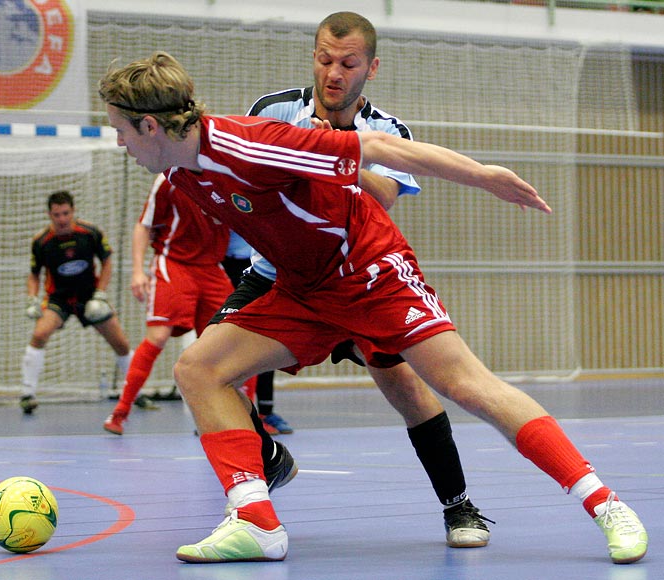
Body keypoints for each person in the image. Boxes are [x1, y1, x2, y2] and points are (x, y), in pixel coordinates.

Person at [99, 51, 648, 566]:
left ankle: (606, 504)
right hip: (304, 288)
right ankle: (256, 522)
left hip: (369, 271)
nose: (119, 143)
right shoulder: (178, 172)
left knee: (465, 385)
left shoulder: (251, 143)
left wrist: (485, 176)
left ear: (150, 126)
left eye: (120, 130)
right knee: (199, 368)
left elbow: (384, 150)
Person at [207, 11, 491, 547]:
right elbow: (251, 174)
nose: (333, 73)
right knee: (205, 365)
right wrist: (294, 147)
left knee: (406, 387)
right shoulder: (274, 110)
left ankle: (459, 506)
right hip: (277, 276)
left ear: (370, 69)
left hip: (355, 282)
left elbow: (380, 198)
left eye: (348, 63)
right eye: (324, 59)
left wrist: (334, 150)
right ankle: (266, 459)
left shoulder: (388, 130)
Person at [103, 174, 235, 434]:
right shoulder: (170, 178)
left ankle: (238, 416)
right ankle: (121, 411)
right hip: (175, 263)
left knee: (234, 339)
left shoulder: (229, 176)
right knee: (159, 335)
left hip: (212, 268)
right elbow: (144, 225)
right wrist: (137, 271)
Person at [21, 191, 133, 414]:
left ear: (73, 211)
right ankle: (27, 394)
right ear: (49, 214)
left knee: (120, 343)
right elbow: (34, 274)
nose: (61, 219)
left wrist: (100, 293)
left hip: (89, 296)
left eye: (65, 213)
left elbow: (107, 262)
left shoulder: (90, 233)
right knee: (39, 334)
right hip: (58, 299)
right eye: (56, 215)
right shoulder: (41, 241)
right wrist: (32, 298)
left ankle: (135, 394)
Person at [220, 232, 291, 435]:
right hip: (226, 266)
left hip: (260, 267)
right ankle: (228, 411)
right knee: (229, 339)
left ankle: (265, 412)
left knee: (266, 337)